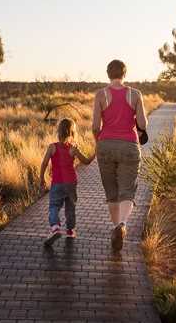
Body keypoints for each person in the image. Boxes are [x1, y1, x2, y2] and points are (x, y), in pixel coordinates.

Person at [92, 59, 147, 252]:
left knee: (111, 191)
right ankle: (122, 224)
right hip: (129, 146)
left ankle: (115, 227)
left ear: (108, 73)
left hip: (106, 145)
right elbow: (143, 123)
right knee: (127, 191)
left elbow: (95, 126)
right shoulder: (135, 94)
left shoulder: (101, 95)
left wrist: (99, 142)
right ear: (124, 74)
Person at [38, 118, 94, 247]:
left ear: (59, 131)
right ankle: (70, 230)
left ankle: (55, 227)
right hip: (71, 183)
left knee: (54, 206)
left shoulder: (52, 147)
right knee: (70, 207)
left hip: (57, 183)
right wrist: (95, 153)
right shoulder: (73, 149)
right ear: (72, 133)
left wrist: (41, 178)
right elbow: (86, 162)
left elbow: (44, 163)